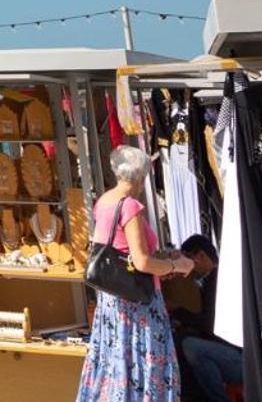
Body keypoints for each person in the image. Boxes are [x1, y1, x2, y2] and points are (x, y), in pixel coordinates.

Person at [76, 146, 191, 402]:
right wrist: (177, 266)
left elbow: (122, 249)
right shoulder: (130, 207)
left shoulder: (104, 201)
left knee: (117, 363)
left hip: (112, 301)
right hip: (137, 304)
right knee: (143, 363)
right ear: (142, 175)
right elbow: (141, 261)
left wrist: (165, 257)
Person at [169, 235, 242, 402]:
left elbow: (209, 325)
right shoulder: (212, 279)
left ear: (200, 256)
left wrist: (178, 312)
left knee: (191, 346)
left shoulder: (218, 281)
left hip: (241, 360)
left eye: (187, 260)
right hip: (234, 355)